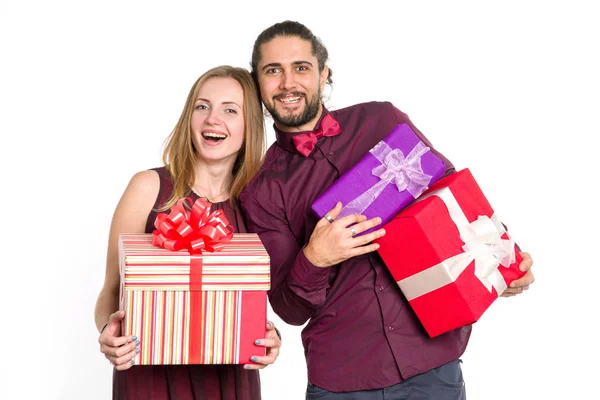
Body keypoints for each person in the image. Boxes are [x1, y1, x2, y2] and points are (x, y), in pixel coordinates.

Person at [240, 21, 535, 399]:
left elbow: (451, 199)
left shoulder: (381, 119)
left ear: (323, 73)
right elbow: (289, 309)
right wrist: (315, 257)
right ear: (257, 82)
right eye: (272, 71)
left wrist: (503, 262)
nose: (287, 83)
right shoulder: (261, 189)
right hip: (343, 380)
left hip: (432, 363)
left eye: (300, 67)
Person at [95, 65, 282, 400]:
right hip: (149, 381)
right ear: (189, 118)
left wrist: (270, 337)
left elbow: (260, 298)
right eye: (202, 106)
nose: (213, 119)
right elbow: (111, 291)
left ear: (248, 126)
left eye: (230, 110)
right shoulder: (148, 188)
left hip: (229, 382)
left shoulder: (257, 203)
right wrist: (109, 335)